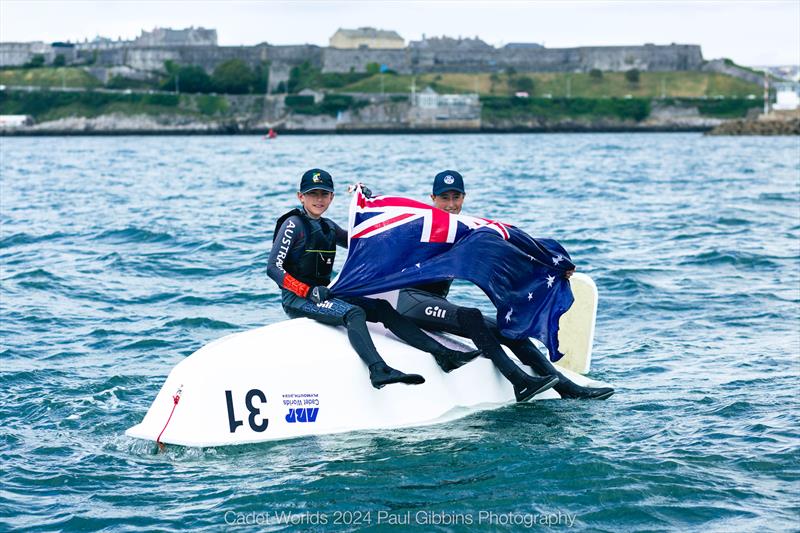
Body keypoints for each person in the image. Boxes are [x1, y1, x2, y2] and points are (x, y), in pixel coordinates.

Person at [395, 170, 614, 400]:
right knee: (472, 316)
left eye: (456, 197)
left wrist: (554, 266)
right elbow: (374, 237)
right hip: (410, 301)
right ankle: (519, 381)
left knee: (510, 331)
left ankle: (567, 388)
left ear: (464, 197)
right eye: (444, 198)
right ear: (432, 198)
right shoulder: (419, 227)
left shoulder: (465, 230)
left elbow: (510, 246)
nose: (451, 204)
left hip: (437, 303)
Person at [267, 168, 479, 390]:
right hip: (298, 299)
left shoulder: (328, 227)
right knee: (353, 312)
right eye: (312, 194)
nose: (318, 199)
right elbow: (273, 268)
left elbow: (364, 242)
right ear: (301, 196)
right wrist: (306, 291)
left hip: (322, 294)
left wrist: (370, 204)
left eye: (324, 194)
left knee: (383, 308)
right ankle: (378, 370)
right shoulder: (293, 224)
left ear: (332, 197)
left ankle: (443, 355)